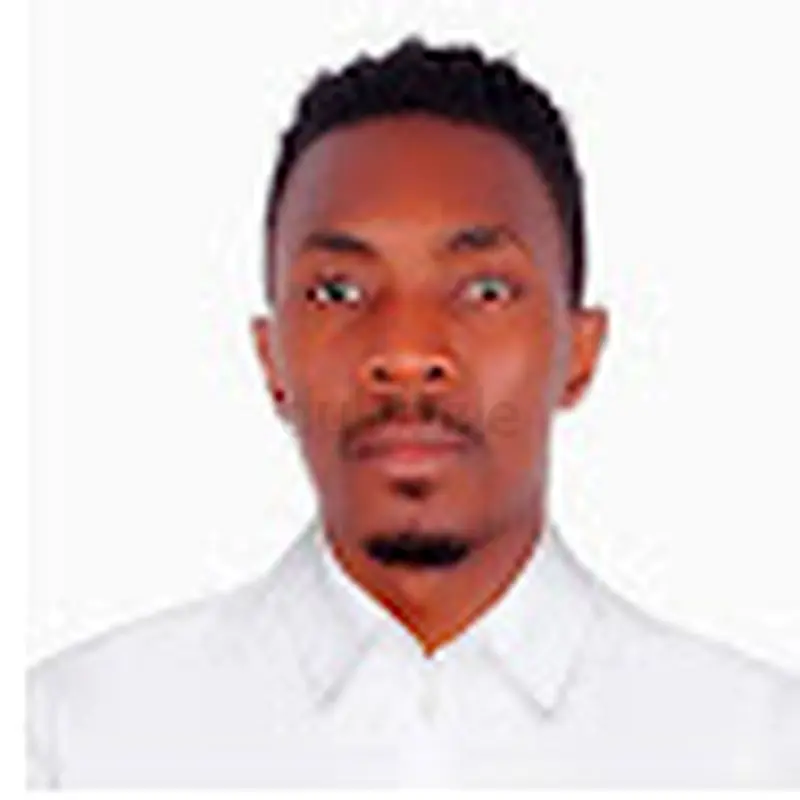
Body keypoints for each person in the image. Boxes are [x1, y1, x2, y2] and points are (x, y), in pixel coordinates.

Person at [27, 37, 800, 789]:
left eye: (485, 290)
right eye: (338, 291)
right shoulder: (78, 740)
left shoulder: (755, 750)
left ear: (580, 351)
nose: (405, 351)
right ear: (271, 359)